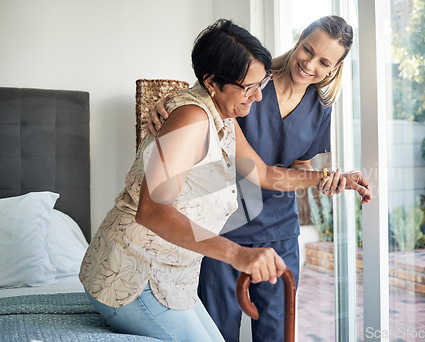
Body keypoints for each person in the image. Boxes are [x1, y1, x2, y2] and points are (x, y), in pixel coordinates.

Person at [79, 19, 352, 342]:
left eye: (260, 84)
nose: (258, 97)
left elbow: (263, 174)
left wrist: (330, 178)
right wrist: (238, 253)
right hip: (133, 274)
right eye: (249, 88)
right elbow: (152, 210)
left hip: (171, 275)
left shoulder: (222, 119)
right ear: (212, 83)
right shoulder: (192, 119)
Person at [148, 16, 371, 342]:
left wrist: (326, 180)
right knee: (216, 333)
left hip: (278, 232)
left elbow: (297, 172)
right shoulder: (252, 82)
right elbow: (205, 95)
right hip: (223, 228)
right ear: (299, 40)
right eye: (307, 50)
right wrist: (165, 103)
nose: (309, 64)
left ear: (334, 69)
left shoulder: (321, 109)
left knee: (278, 334)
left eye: (324, 62)